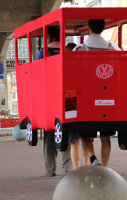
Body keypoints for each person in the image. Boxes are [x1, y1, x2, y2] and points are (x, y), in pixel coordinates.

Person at [74, 19, 120, 167]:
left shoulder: (81, 49)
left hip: (87, 101)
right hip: (108, 99)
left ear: (88, 28)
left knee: (84, 134)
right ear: (103, 28)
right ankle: (105, 169)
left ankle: (93, 159)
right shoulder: (112, 48)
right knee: (105, 137)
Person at [36, 27, 73, 177]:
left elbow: (37, 72)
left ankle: (50, 168)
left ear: (50, 37)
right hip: (66, 97)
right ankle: (67, 168)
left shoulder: (45, 51)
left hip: (49, 97)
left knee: (50, 132)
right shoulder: (66, 51)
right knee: (65, 130)